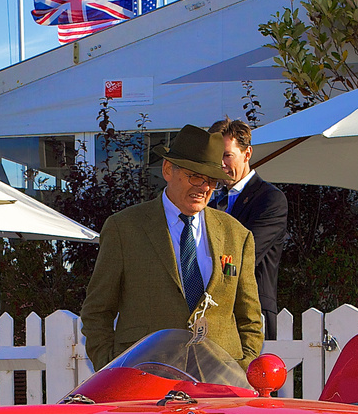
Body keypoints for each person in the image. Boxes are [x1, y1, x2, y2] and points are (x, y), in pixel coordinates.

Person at [80, 124, 263, 369]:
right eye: (195, 176)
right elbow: (97, 312)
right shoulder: (123, 228)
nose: (204, 187)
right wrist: (113, 368)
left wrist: (241, 370)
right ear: (168, 170)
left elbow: (250, 320)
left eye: (212, 181)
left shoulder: (236, 235)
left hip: (219, 385)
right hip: (145, 379)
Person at [208, 118, 289, 341]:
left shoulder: (270, 199)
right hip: (215, 315)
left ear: (247, 153)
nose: (221, 164)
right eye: (216, 157)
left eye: (227, 155)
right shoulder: (210, 204)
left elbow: (245, 256)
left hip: (251, 313)